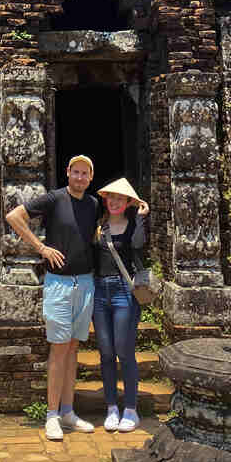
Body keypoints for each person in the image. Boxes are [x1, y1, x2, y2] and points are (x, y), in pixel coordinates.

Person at [4, 154, 99, 441]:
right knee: (58, 349)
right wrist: (41, 248)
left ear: (91, 178)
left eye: (86, 173)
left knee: (72, 349)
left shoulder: (93, 204)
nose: (81, 177)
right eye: (76, 172)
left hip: (84, 282)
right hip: (58, 283)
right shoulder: (54, 199)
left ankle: (68, 411)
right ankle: (52, 415)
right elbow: (14, 217)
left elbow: (91, 235)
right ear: (68, 173)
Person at [93, 177, 149, 433]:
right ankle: (111, 407)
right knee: (105, 352)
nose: (114, 201)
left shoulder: (132, 227)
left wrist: (140, 217)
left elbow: (138, 247)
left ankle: (131, 408)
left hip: (123, 291)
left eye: (120, 198)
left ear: (128, 202)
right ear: (106, 201)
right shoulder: (99, 228)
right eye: (110, 197)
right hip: (99, 292)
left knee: (124, 351)